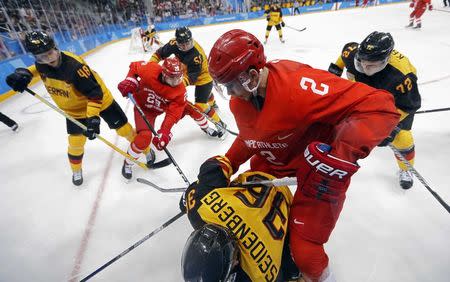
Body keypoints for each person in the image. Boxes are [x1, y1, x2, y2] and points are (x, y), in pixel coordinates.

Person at [207, 29, 400, 282]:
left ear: (252, 76)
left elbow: (381, 107)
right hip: (272, 166)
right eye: (224, 87)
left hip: (318, 173)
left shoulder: (299, 86)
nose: (230, 94)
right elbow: (252, 135)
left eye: (231, 85)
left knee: (306, 255)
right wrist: (227, 162)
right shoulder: (240, 101)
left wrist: (342, 154)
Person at [5, 31, 135, 186]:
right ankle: (76, 170)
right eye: (42, 56)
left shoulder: (75, 68)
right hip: (75, 111)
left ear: (56, 47)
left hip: (102, 101)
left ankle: (143, 150)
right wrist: (25, 73)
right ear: (36, 57)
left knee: (123, 130)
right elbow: (37, 68)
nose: (49, 58)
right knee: (75, 143)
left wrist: (93, 119)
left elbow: (95, 94)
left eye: (51, 52)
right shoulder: (42, 64)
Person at [180, 157, 299, 281]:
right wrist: (192, 193)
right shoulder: (199, 208)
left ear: (234, 262)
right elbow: (214, 165)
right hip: (260, 179)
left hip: (286, 202)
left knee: (291, 270)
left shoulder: (258, 275)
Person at [328, 31, 421, 189]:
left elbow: (408, 105)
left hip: (395, 100)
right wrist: (335, 70)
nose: (363, 67)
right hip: (365, 93)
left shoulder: (402, 77)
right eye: (361, 61)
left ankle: (406, 169)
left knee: (403, 139)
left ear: (384, 61)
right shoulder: (353, 53)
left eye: (370, 65)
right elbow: (344, 55)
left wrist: (391, 127)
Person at [149, 26, 227, 138]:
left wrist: (175, 85)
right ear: (177, 42)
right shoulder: (173, 44)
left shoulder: (196, 55)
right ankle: (212, 102)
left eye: (188, 42)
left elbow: (192, 78)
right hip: (185, 70)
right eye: (182, 44)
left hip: (203, 76)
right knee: (206, 95)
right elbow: (158, 54)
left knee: (200, 105)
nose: (186, 46)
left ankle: (221, 124)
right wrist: (150, 66)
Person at [117, 57, 187, 179]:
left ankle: (146, 150)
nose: (176, 81)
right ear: (164, 74)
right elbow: (134, 66)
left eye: (179, 77)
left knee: (187, 109)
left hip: (156, 111)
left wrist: (164, 131)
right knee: (145, 137)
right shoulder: (151, 69)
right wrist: (130, 81)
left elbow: (173, 113)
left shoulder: (180, 91)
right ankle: (128, 163)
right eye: (172, 78)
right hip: (142, 108)